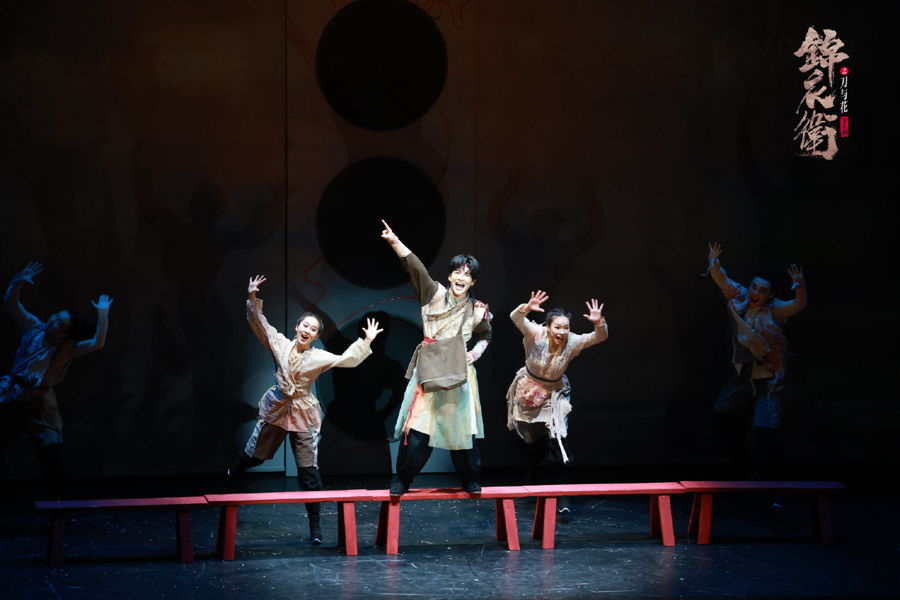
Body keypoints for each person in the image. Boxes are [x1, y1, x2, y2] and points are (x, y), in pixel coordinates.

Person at [228, 275, 382, 545]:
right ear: (297, 327)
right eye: (305, 325)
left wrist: (366, 341)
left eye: (313, 329)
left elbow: (345, 360)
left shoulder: (318, 356)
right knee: (255, 455)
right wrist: (252, 297)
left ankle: (315, 528)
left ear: (316, 336)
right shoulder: (280, 344)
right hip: (277, 407)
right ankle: (231, 474)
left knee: (308, 472)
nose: (307, 330)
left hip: (302, 413)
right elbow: (261, 325)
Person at [380, 220, 492, 496]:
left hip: (458, 374)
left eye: (467, 275)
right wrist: (395, 242)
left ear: (473, 281)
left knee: (462, 432)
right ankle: (403, 480)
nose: (461, 278)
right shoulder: (433, 294)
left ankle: (470, 479)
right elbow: (416, 267)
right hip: (430, 371)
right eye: (457, 272)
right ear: (450, 275)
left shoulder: (477, 311)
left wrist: (474, 353)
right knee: (418, 431)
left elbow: (486, 336)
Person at [0, 262, 111, 491]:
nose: (52, 319)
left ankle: (62, 501)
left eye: (59, 322)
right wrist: (19, 281)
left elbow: (97, 343)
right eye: (55, 316)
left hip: (38, 404)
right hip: (12, 394)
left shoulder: (66, 349)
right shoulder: (33, 327)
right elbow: (11, 302)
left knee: (51, 453)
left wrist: (102, 313)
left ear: (64, 334)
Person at [706, 242, 807, 479]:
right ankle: (746, 471)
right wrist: (714, 264)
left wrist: (800, 286)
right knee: (722, 419)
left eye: (762, 291)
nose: (755, 293)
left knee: (765, 433)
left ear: (770, 295)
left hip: (768, 379)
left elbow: (798, 304)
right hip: (742, 375)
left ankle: (775, 485)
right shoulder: (740, 297)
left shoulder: (775, 310)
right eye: (753, 287)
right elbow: (723, 279)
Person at [507, 291, 608, 494]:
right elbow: (515, 317)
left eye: (566, 327)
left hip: (555, 392)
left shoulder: (573, 341)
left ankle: (562, 488)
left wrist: (599, 323)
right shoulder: (536, 333)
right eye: (558, 327)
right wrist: (527, 307)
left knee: (558, 437)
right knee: (531, 440)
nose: (562, 332)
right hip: (529, 389)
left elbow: (599, 337)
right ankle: (532, 474)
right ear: (548, 326)